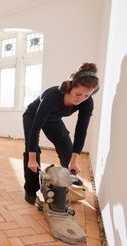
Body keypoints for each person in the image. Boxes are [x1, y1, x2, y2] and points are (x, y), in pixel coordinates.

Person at [23, 62, 99, 204]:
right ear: (68, 87)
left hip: (53, 118)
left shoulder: (87, 103)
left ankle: (69, 178)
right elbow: (36, 128)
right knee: (32, 151)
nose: (81, 99)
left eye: (86, 95)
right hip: (33, 116)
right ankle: (30, 189)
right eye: (78, 94)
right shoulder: (52, 96)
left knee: (66, 147)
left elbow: (81, 131)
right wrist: (32, 158)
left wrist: (74, 161)